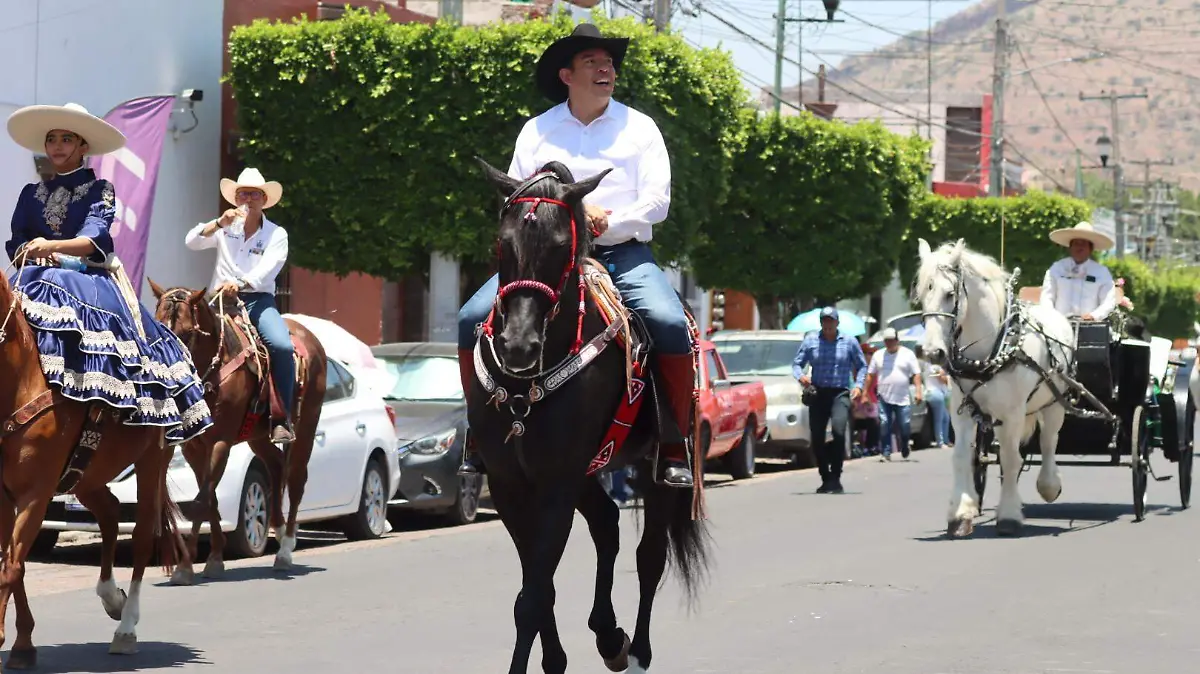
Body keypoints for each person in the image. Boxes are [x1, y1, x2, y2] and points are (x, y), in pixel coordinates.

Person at [456, 23, 695, 488]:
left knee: (667, 322)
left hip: (620, 253)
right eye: (592, 62)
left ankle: (672, 443)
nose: (606, 69)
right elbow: (518, 197)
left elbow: (657, 202)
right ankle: (478, 434)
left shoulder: (640, 128)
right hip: (544, 261)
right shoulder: (537, 130)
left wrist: (608, 220)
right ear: (567, 74)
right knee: (470, 318)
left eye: (609, 63)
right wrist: (573, 212)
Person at [4, 102, 213, 444]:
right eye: (52, 139)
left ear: (83, 146)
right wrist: (30, 252)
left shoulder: (99, 190)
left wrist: (52, 249)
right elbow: (17, 240)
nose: (57, 145)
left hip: (85, 276)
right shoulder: (32, 194)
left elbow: (95, 238)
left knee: (100, 326)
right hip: (33, 276)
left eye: (66, 139)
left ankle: (103, 413)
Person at [184, 167, 295, 443]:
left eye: (254, 194)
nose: (248, 198)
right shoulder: (225, 227)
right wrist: (219, 223)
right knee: (187, 336)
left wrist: (242, 282)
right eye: (242, 193)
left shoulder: (276, 233)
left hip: (256, 300)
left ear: (263, 200)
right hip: (218, 301)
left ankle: (281, 417)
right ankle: (180, 405)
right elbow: (192, 241)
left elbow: (269, 269)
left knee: (281, 346)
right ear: (234, 199)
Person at [792, 307, 867, 493]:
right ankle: (825, 476)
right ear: (821, 323)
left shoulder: (849, 342)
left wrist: (858, 386)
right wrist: (801, 376)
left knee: (839, 431)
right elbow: (796, 364)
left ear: (837, 322)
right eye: (824, 321)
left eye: (831, 321)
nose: (828, 324)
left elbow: (862, 366)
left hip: (840, 393)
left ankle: (836, 475)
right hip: (818, 393)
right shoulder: (811, 341)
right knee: (817, 436)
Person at [1040, 222, 1117, 322]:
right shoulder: (1057, 268)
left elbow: (1108, 301)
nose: (1079, 247)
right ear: (1070, 247)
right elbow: (1047, 296)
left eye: (1083, 244)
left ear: (1091, 249)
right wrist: (1051, 316)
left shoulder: (1101, 272)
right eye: (1076, 243)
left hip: (1089, 326)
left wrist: (1094, 316)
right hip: (1059, 327)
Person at [864, 328, 922, 460]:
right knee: (884, 423)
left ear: (897, 340)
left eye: (892, 340)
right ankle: (886, 451)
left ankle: (905, 444)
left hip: (903, 398)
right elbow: (870, 375)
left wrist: (918, 391)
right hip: (883, 396)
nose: (889, 343)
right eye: (887, 341)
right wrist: (864, 393)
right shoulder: (878, 355)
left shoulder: (908, 354)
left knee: (905, 426)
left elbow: (916, 374)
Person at [919, 348, 951, 448]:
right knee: (940, 419)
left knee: (945, 418)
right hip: (936, 394)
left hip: (933, 393)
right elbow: (942, 379)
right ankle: (940, 442)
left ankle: (945, 440)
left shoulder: (926, 367)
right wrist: (944, 376)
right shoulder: (935, 368)